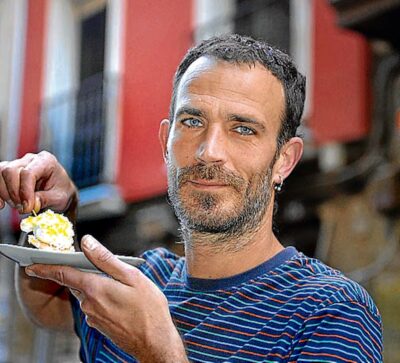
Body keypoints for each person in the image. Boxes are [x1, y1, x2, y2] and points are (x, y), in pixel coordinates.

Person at [0, 34, 382, 362]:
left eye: (243, 129)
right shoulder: (141, 278)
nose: (208, 151)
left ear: (284, 160)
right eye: (193, 122)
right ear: (166, 141)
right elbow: (48, 304)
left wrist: (158, 353)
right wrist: (54, 212)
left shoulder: (331, 311)